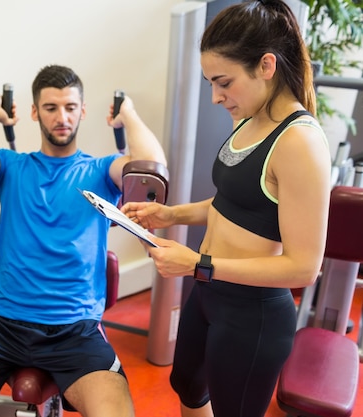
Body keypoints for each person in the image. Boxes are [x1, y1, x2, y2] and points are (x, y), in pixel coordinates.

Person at [0, 64, 167, 417]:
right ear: (35, 112)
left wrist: (127, 113)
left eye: (70, 107)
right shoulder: (10, 165)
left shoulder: (102, 171)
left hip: (75, 332)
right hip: (0, 325)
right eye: (50, 108)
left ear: (82, 111)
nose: (61, 117)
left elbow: (150, 165)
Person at [121, 1, 331, 416]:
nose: (216, 97)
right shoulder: (251, 118)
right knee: (189, 390)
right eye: (210, 84)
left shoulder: (300, 144)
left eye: (224, 82)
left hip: (251, 314)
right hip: (208, 292)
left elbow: (304, 268)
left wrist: (199, 264)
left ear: (266, 65)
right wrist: (173, 215)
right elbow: (234, 202)